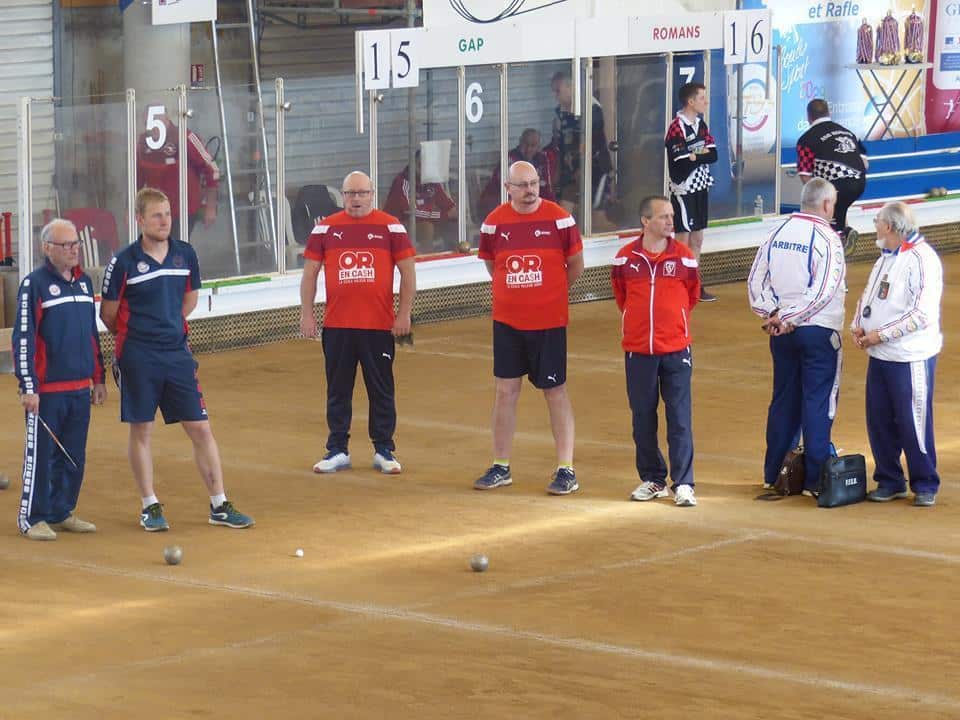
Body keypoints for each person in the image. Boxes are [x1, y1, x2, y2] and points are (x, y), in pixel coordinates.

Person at [100, 187, 254, 531]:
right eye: (156, 215)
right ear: (139, 220)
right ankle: (149, 505)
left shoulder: (186, 254)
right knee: (142, 429)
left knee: (200, 427)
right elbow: (108, 315)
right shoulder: (123, 262)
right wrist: (137, 336)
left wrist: (169, 329)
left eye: (168, 214)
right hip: (138, 355)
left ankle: (219, 504)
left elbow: (189, 301)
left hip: (177, 354)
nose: (164, 221)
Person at [474, 160, 584, 495]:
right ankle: (501, 465)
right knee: (505, 391)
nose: (530, 190)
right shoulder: (494, 224)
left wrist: (548, 293)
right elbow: (495, 266)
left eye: (534, 183)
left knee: (555, 391)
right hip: (507, 322)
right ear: (507, 188)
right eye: (522, 185)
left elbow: (576, 266)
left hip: (549, 322)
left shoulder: (559, 219)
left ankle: (566, 469)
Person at [300, 171, 416, 475]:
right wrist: (307, 314)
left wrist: (404, 314)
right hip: (338, 325)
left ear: (372, 194)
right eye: (350, 193)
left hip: (378, 326)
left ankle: (384, 450)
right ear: (343, 196)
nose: (356, 199)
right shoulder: (325, 229)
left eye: (362, 193)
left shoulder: (391, 226)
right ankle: (337, 449)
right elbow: (310, 274)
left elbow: (408, 272)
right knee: (338, 389)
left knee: (381, 389)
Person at [747, 178, 847, 496]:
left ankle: (775, 472)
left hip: (781, 332)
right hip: (818, 331)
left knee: (783, 401)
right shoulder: (829, 239)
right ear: (828, 205)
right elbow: (823, 291)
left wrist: (774, 316)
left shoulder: (777, 231)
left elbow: (755, 282)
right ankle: (815, 481)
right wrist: (791, 317)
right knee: (818, 402)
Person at [13, 219, 107, 540]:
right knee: (41, 455)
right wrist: (29, 387)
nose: (73, 250)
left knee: (73, 456)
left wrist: (99, 379)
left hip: (80, 389)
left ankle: (61, 511)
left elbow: (92, 335)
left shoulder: (83, 284)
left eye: (76, 244)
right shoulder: (34, 285)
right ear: (47, 248)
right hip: (47, 393)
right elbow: (24, 338)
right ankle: (32, 517)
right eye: (66, 245)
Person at [851, 202, 943, 506]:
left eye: (877, 220)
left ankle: (925, 482)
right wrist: (858, 325)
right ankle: (890, 479)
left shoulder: (922, 259)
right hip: (880, 355)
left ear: (889, 227)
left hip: (909, 355)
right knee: (878, 420)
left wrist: (880, 334)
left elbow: (922, 314)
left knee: (913, 421)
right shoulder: (885, 258)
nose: (875, 225)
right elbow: (869, 296)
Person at [612, 196, 701, 507]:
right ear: (645, 221)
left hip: (676, 350)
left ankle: (684, 483)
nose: (669, 221)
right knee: (642, 417)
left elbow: (691, 296)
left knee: (679, 416)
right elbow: (622, 297)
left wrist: (671, 324)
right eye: (663, 216)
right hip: (638, 351)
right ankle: (652, 478)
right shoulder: (624, 259)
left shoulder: (685, 257)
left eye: (671, 216)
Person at [665, 82, 718, 302]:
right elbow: (680, 161)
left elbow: (712, 155)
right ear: (691, 101)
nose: (706, 102)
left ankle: (694, 284)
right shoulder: (676, 127)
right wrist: (698, 154)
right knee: (682, 238)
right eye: (702, 98)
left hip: (700, 186)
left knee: (697, 238)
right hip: (683, 189)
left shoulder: (701, 125)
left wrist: (694, 155)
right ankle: (675, 283)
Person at [136, 107, 220, 241]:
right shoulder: (143, 142)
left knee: (174, 253)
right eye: (147, 124)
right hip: (155, 210)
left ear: (166, 118)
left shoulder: (185, 137)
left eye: (155, 121)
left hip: (183, 211)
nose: (152, 127)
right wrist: (133, 208)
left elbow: (212, 170)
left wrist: (210, 206)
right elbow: (137, 178)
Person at [796, 99, 868, 253]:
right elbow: (865, 164)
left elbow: (805, 175)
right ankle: (845, 231)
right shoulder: (849, 132)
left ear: (809, 117)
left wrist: (815, 197)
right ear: (829, 113)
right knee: (839, 205)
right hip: (860, 183)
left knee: (827, 212)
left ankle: (837, 244)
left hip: (837, 185)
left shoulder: (805, 139)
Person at [548, 71, 613, 221]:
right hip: (572, 173)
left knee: (597, 220)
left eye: (558, 91)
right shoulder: (560, 113)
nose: (555, 96)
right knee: (564, 215)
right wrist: (558, 171)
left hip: (595, 170)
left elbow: (594, 142)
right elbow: (561, 145)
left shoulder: (591, 108)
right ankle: (567, 242)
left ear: (571, 87)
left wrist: (582, 167)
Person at [383, 150, 457, 252]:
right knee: (427, 228)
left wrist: (453, 213)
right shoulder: (402, 181)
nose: (424, 169)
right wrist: (442, 215)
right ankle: (425, 262)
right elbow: (411, 212)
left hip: (424, 221)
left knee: (455, 224)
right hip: (401, 224)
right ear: (414, 164)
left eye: (427, 166)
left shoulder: (432, 181)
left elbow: (450, 207)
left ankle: (455, 258)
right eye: (420, 165)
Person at [479, 128, 556, 218]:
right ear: (520, 142)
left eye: (533, 145)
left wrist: (552, 210)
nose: (528, 149)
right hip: (499, 201)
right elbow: (506, 189)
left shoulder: (542, 158)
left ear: (538, 146)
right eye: (525, 144)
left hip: (530, 205)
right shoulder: (510, 158)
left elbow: (547, 187)